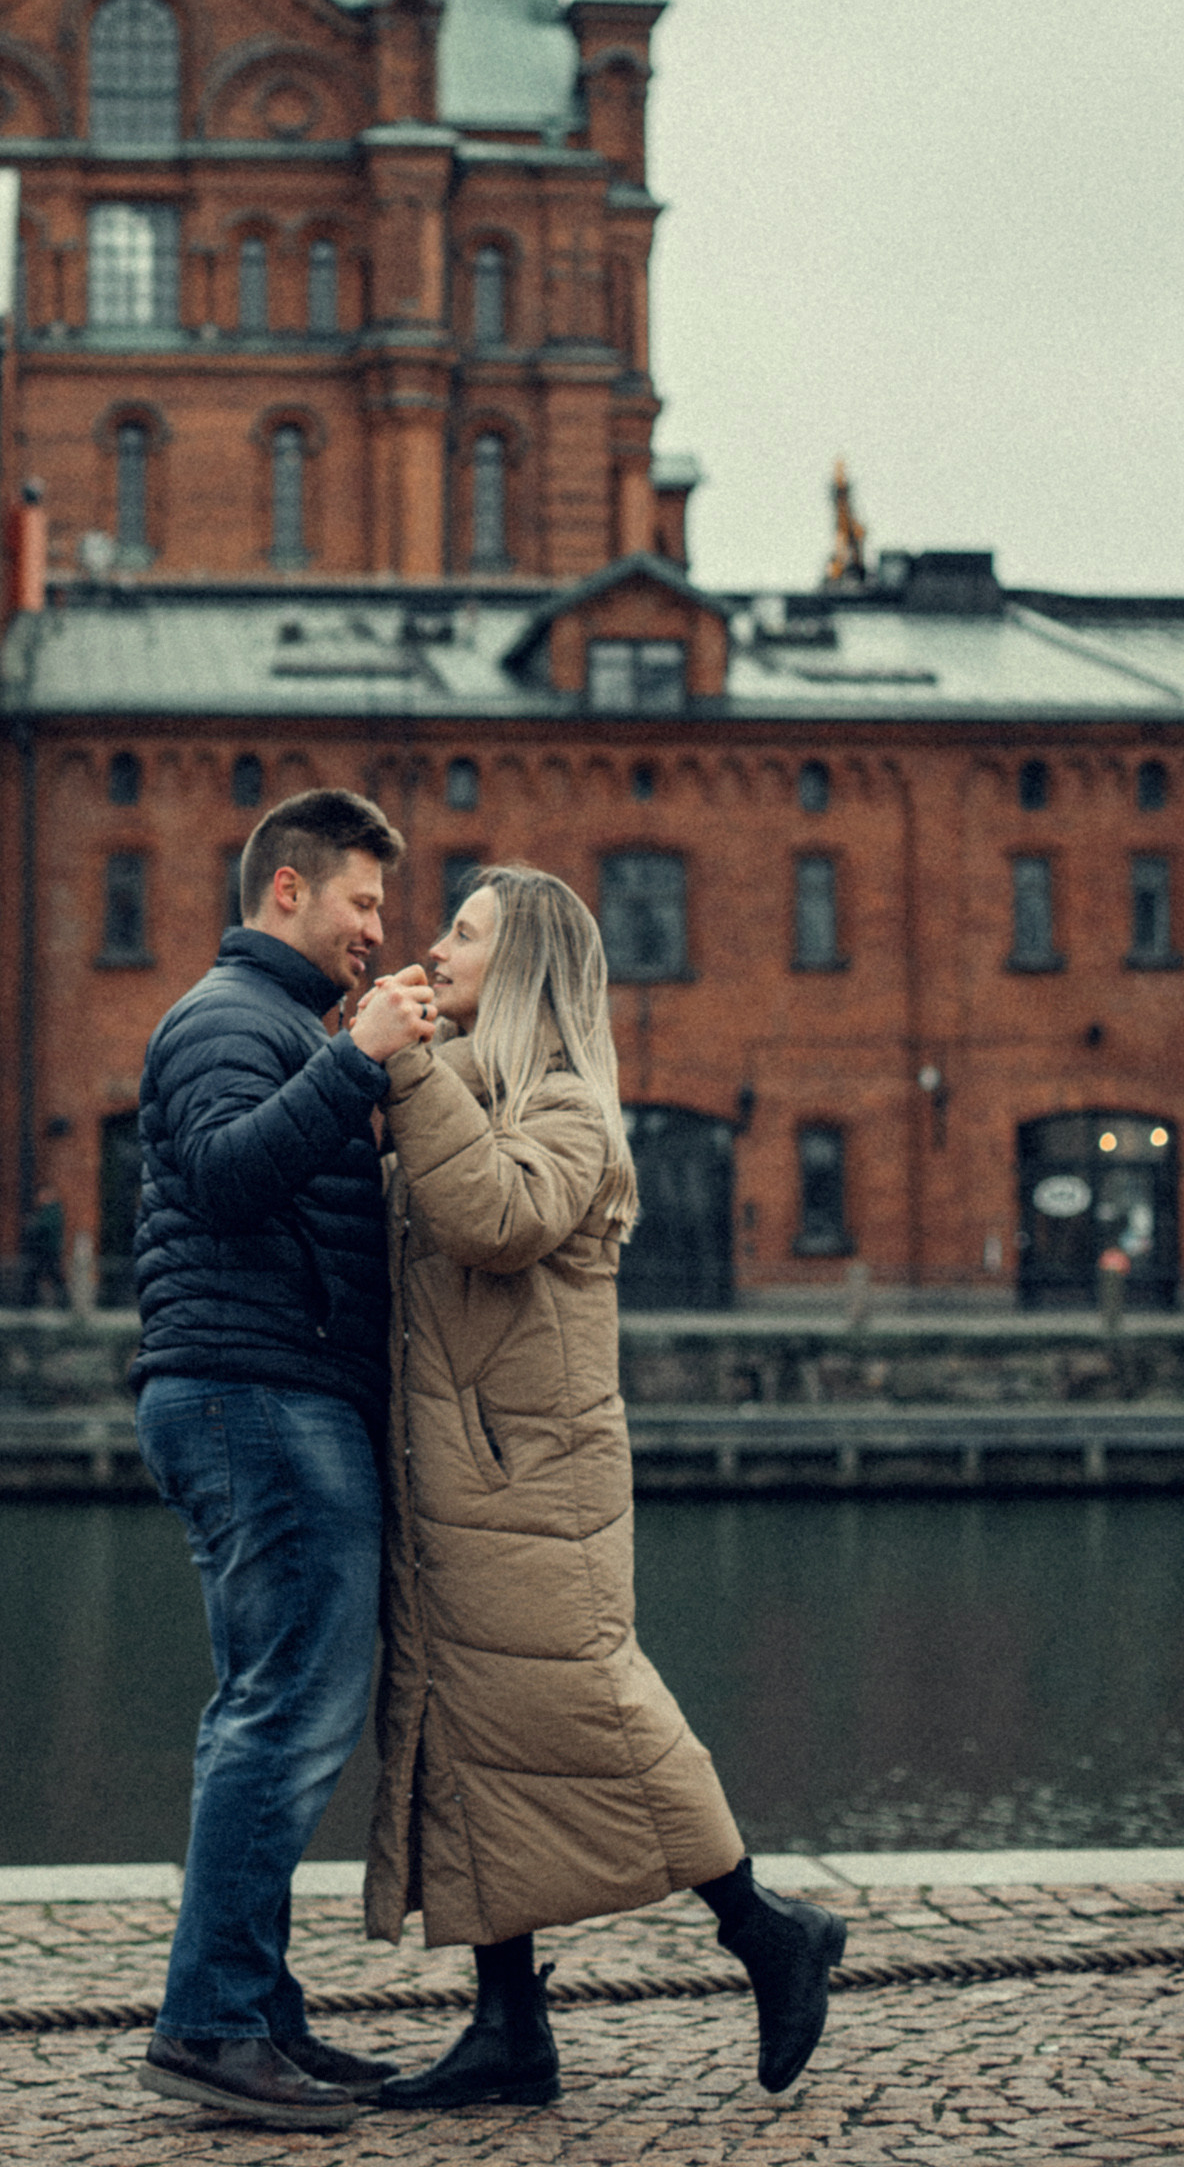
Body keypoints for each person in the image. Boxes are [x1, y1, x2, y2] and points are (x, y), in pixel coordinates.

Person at [366, 864, 847, 2111]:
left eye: (463, 933)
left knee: (593, 1704)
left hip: (532, 1481)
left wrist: (405, 1073)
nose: (436, 945)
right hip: (464, 1473)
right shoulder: (457, 1091)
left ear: (521, 965)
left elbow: (494, 1217)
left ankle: (767, 1928)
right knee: (472, 1732)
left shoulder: (569, 1109)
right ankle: (508, 2027)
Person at [132, 788, 437, 2132]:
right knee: (284, 1715)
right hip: (255, 1401)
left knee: (269, 1707)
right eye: (362, 903)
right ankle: (209, 2025)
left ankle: (252, 2010)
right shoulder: (224, 1022)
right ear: (286, 894)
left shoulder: (273, 1028)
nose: (378, 932)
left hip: (269, 1396)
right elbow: (219, 1178)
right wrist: (356, 1066)